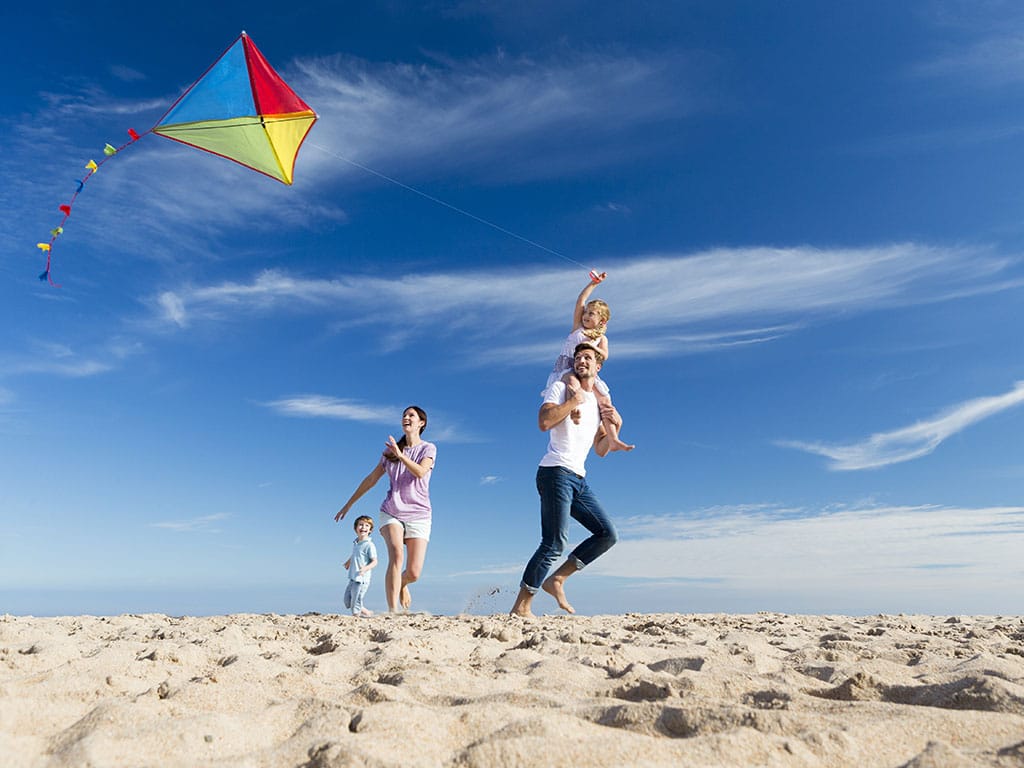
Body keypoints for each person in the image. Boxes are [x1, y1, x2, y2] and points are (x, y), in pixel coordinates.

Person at [511, 342, 623, 618]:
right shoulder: (561, 388)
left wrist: (615, 428)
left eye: (588, 357)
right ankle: (521, 607)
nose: (581, 360)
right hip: (555, 471)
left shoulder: (599, 403)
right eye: (578, 357)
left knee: (607, 534)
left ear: (598, 366)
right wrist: (573, 401)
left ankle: (557, 579)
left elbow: (600, 450)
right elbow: (544, 421)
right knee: (553, 543)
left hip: (578, 478)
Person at [335, 406, 436, 612]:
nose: (406, 418)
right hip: (392, 511)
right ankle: (393, 612)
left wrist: (401, 455)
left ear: (421, 423)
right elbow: (371, 479)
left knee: (414, 572)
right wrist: (349, 504)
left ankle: (403, 585)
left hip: (419, 514)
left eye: (411, 416)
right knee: (397, 555)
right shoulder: (390, 452)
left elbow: (420, 472)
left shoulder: (428, 448)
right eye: (404, 415)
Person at [545, 272, 634, 452]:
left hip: (586, 371)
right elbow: (580, 300)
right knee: (571, 381)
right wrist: (593, 284)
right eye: (586, 312)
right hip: (569, 366)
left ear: (602, 320)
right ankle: (573, 410)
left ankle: (613, 437)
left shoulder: (601, 338)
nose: (585, 315)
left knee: (604, 399)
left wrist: (591, 348)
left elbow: (605, 355)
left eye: (591, 314)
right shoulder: (577, 327)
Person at [342, 515, 378, 617]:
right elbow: (356, 554)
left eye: (367, 525)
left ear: (370, 530)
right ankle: (368, 613)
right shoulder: (356, 543)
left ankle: (356, 618)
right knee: (347, 601)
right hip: (353, 577)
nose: (363, 527)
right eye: (361, 525)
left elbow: (375, 561)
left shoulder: (369, 545)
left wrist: (365, 569)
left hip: (362, 579)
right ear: (355, 528)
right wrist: (349, 562)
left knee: (355, 603)